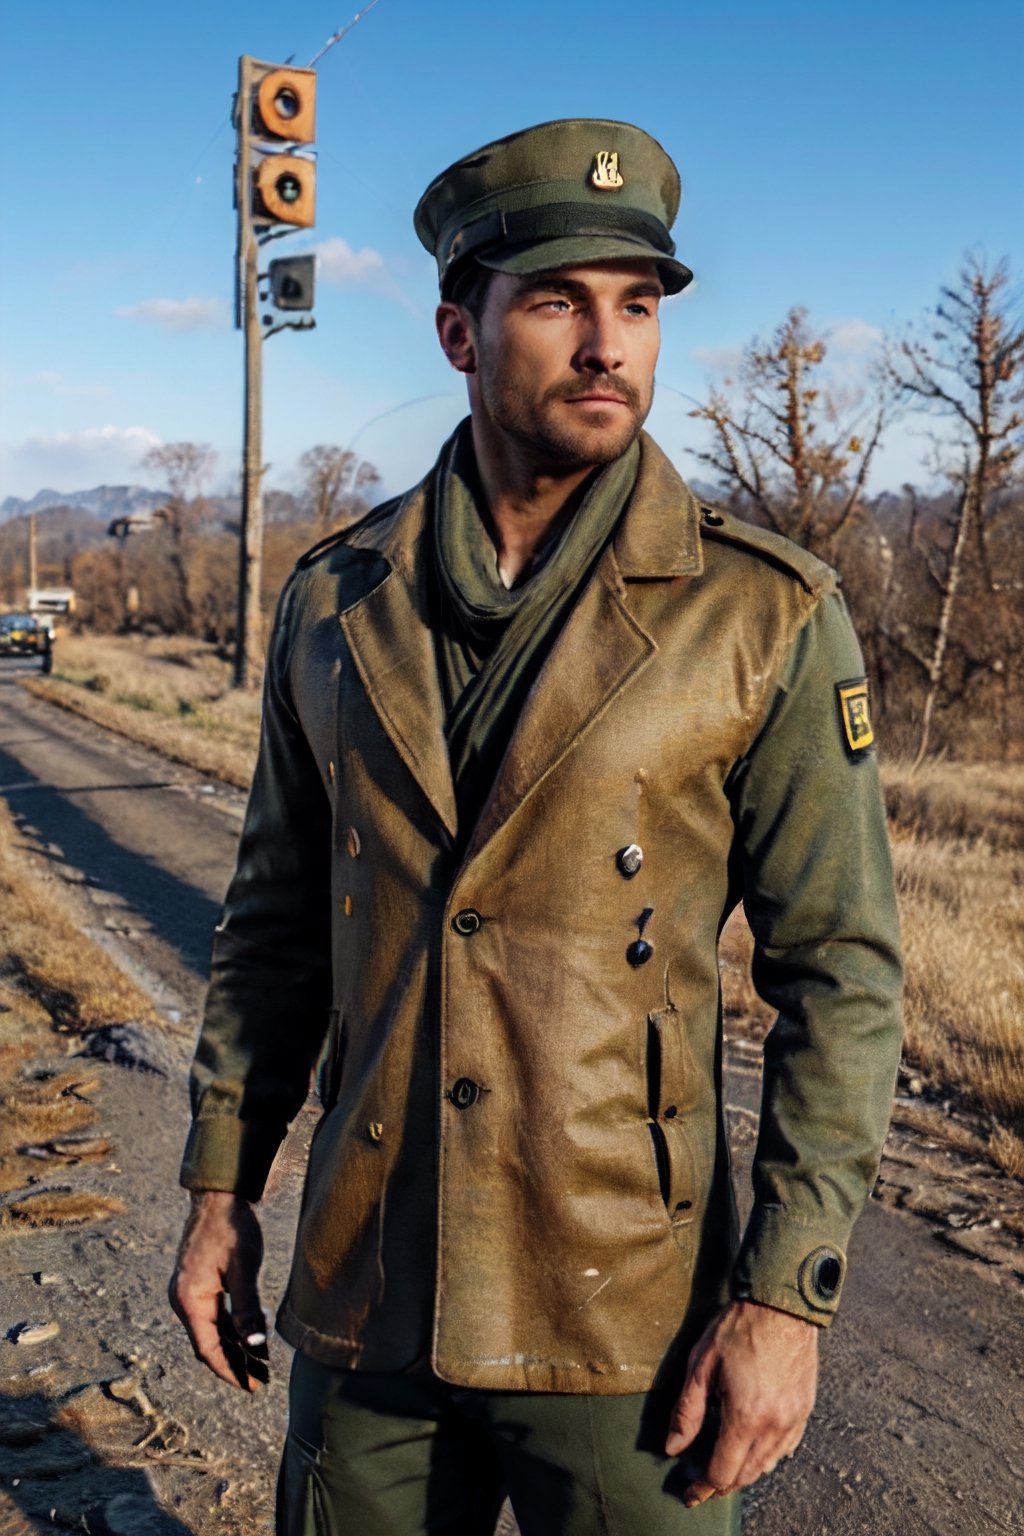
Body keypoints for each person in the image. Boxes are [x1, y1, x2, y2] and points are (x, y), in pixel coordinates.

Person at [170, 119, 903, 1535]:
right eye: (562, 300)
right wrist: (219, 1184)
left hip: (626, 1314)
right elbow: (270, 928)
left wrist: (784, 1294)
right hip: (366, 1288)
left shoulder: (763, 614)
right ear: (459, 329)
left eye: (638, 307)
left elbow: (844, 976)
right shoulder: (333, 601)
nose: (608, 346)